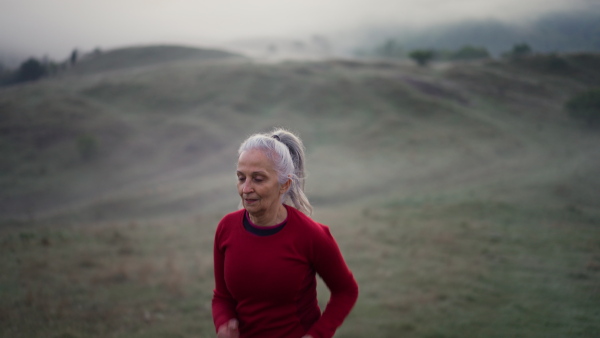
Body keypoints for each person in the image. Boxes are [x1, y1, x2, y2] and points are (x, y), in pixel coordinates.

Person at [212, 128, 359, 338]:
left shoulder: (311, 235)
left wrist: (317, 335)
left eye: (258, 179)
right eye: (241, 177)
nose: (246, 188)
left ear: (285, 184)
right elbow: (222, 296)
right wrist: (224, 323)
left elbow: (346, 291)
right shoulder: (226, 228)